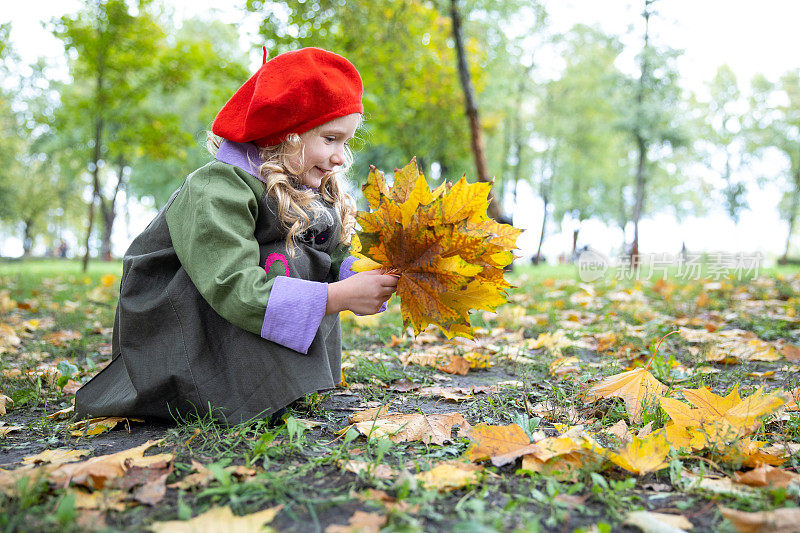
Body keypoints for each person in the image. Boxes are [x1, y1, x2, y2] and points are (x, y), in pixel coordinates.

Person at [75, 47, 398, 426]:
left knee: (300, 253)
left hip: (232, 304)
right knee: (279, 258)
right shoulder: (217, 187)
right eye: (330, 139)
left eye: (346, 142)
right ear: (286, 134)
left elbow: (336, 248)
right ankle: (225, 384)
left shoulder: (307, 188)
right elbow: (230, 282)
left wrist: (359, 273)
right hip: (180, 325)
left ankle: (273, 380)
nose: (341, 156)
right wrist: (335, 297)